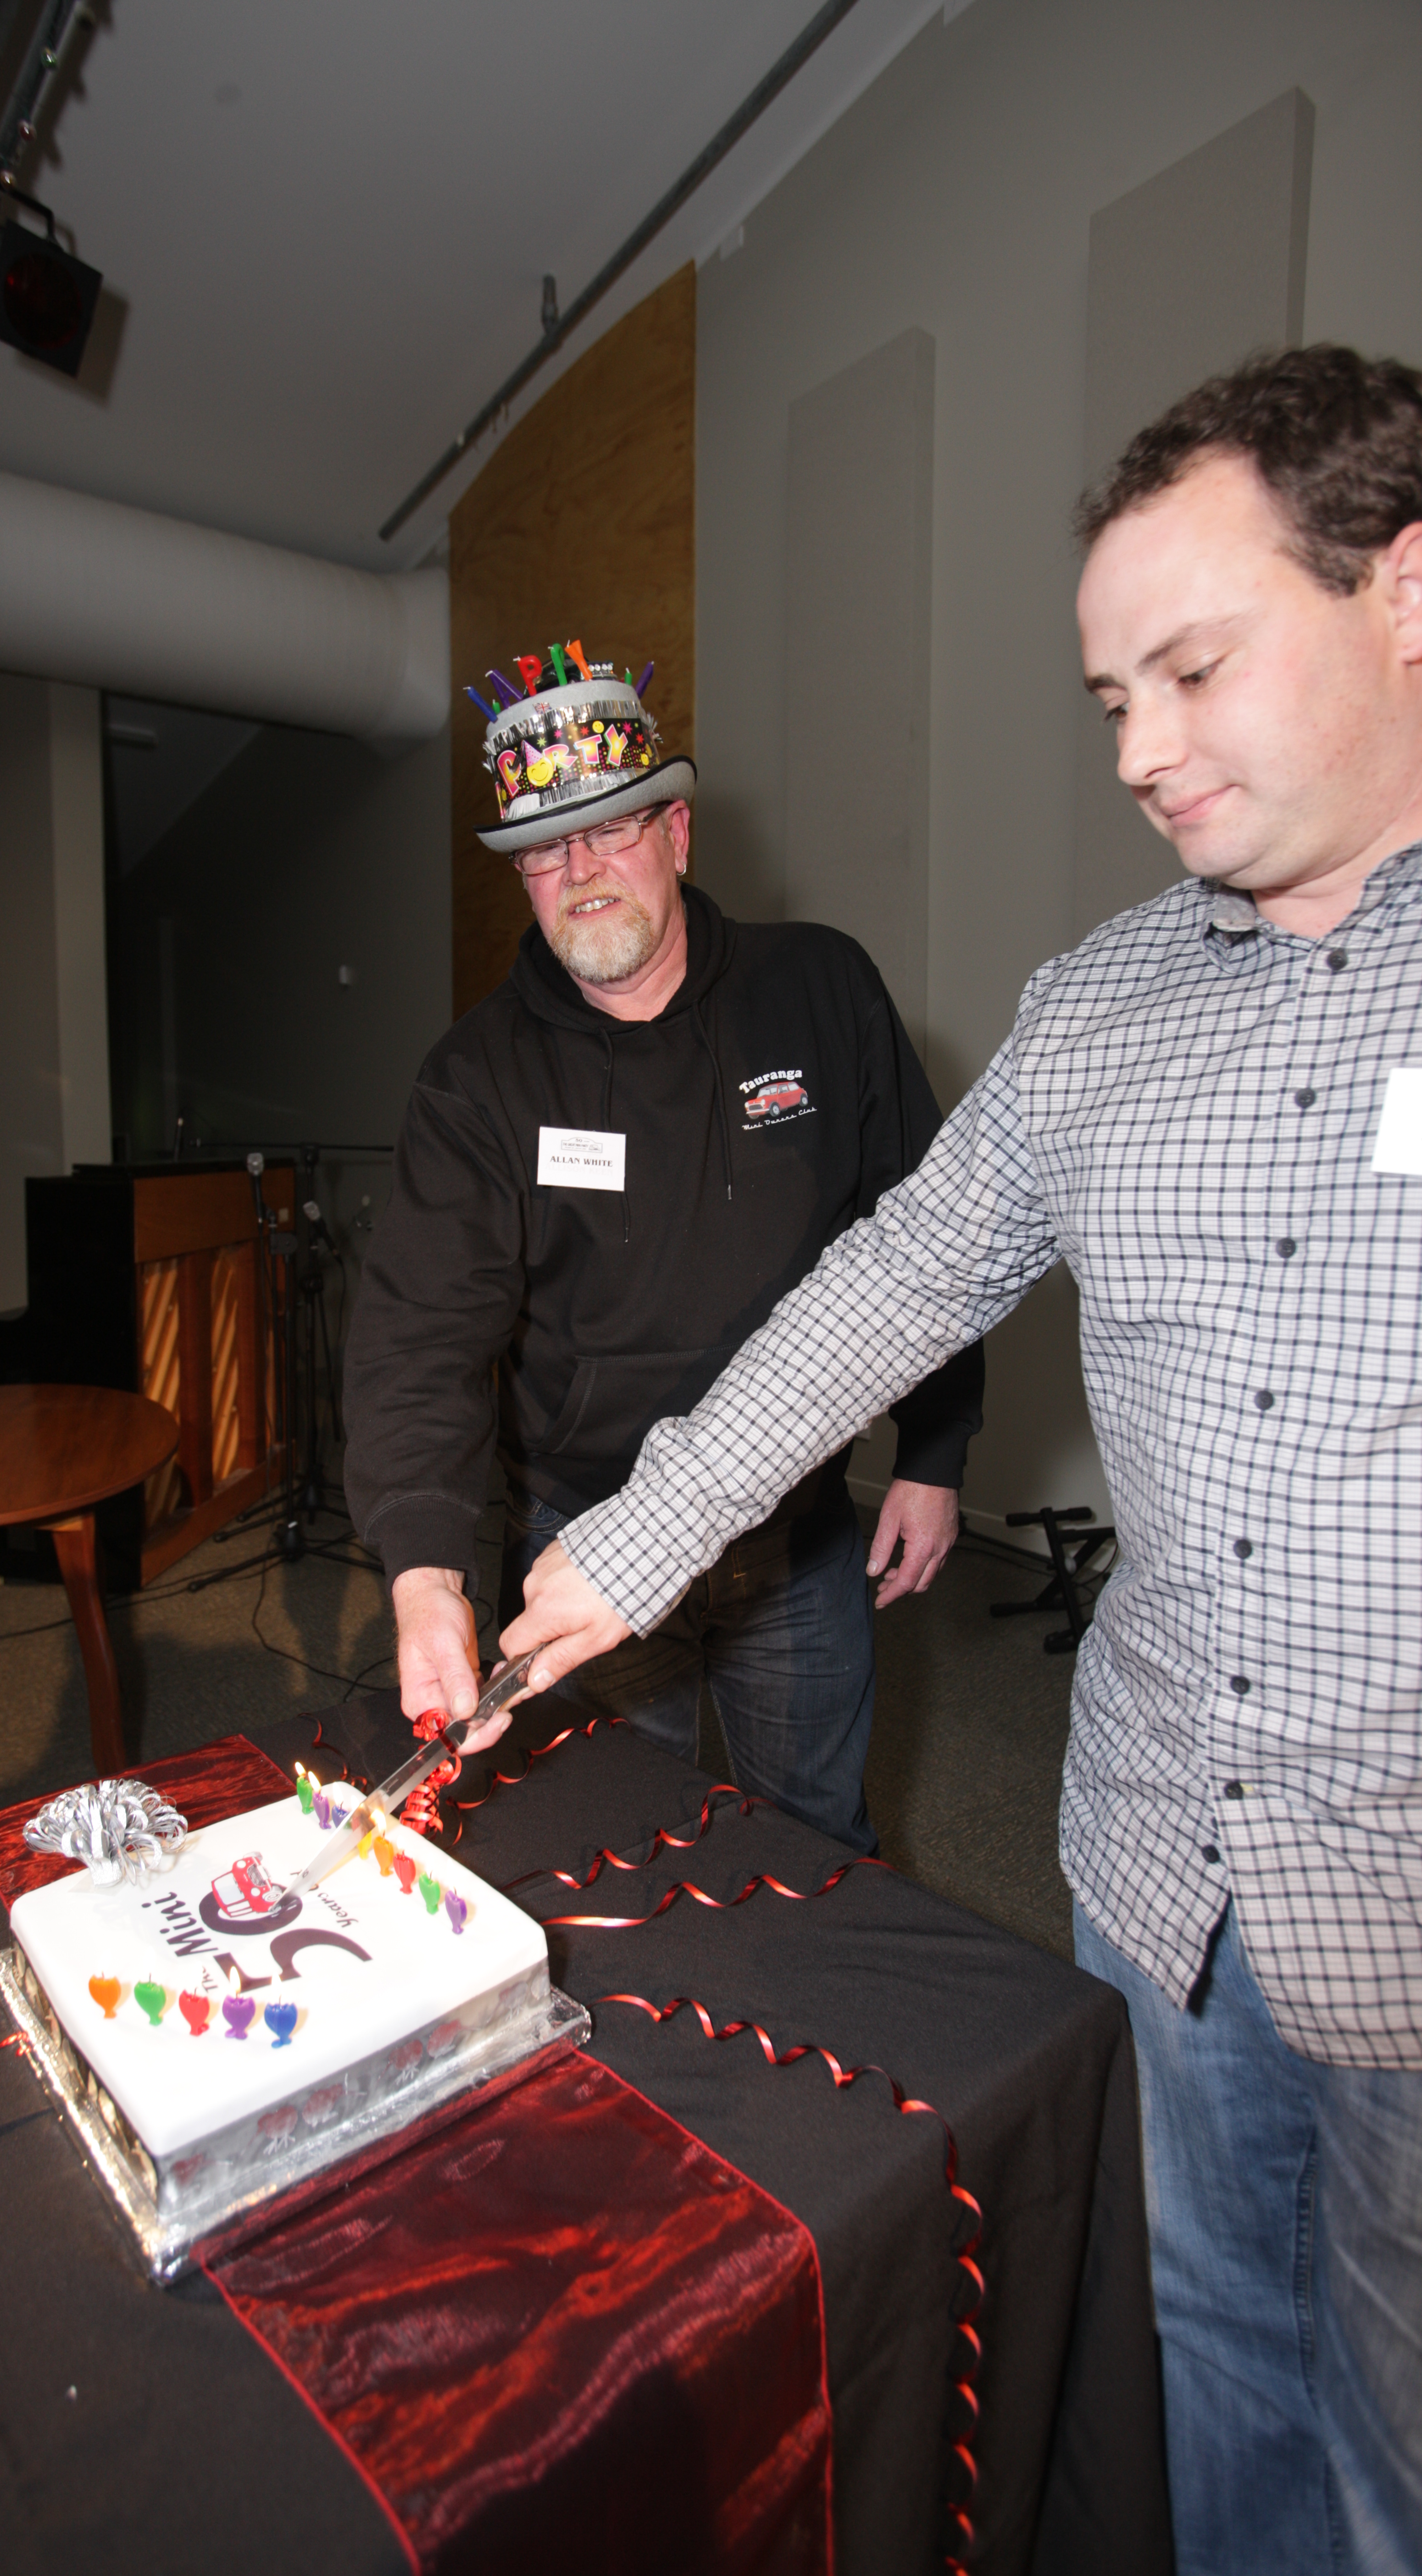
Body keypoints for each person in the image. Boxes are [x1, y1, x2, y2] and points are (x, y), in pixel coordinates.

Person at [501, 348, 1422, 2576]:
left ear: (1404, 593)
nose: (1139, 752)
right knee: (1198, 2343)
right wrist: (638, 1542)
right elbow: (895, 1279)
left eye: (1191, 669)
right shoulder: (1099, 1004)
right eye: (1111, 697)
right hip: (1155, 1856)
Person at [342, 645, 983, 1849]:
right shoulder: (477, 1079)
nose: (580, 871)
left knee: (817, 1842)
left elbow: (925, 1231)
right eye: (545, 850)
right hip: (582, 1541)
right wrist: (425, 1574)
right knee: (613, 1851)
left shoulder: (822, 987)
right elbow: (419, 1338)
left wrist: (935, 1451)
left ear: (677, 834)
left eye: (611, 830)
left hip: (794, 1536)